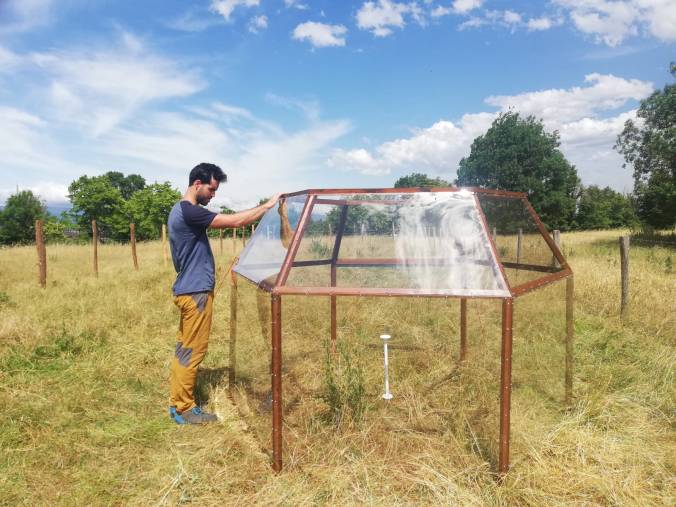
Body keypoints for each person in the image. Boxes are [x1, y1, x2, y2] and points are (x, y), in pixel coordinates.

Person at [168, 162, 280, 424]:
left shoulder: (178, 209)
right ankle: (184, 409)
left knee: (184, 348)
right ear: (197, 184)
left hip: (189, 289)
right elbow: (234, 221)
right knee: (193, 350)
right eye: (211, 189)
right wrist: (267, 206)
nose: (213, 195)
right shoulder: (189, 211)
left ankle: (178, 403)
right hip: (195, 291)